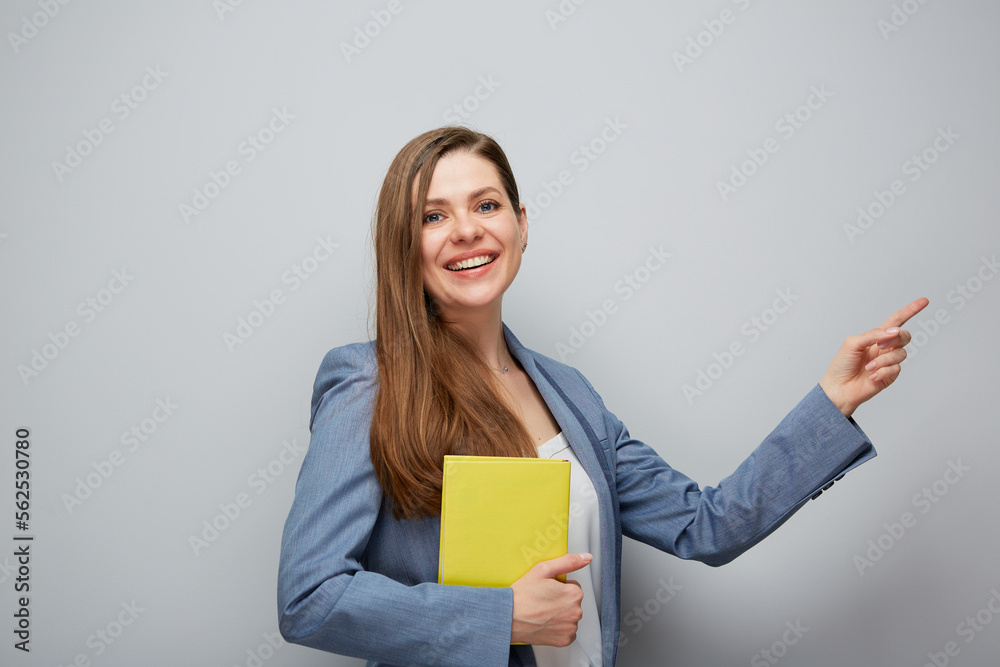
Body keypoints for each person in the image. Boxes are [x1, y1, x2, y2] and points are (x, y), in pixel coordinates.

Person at [277, 126, 928, 667]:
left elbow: (708, 524)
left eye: (487, 205)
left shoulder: (572, 394)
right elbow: (309, 595)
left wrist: (833, 399)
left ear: (521, 224)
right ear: (404, 243)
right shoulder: (369, 382)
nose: (467, 230)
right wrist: (502, 615)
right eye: (433, 215)